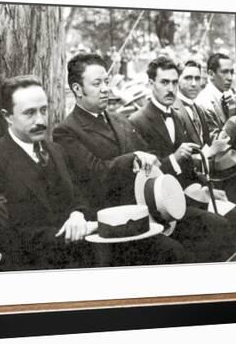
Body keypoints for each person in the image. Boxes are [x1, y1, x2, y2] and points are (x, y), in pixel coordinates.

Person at [53, 53, 189, 266]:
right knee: (175, 253)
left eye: (106, 82)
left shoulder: (119, 119)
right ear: (77, 89)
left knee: (209, 227)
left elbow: (151, 160)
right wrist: (133, 157)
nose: (106, 88)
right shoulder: (66, 131)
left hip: (147, 211)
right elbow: (95, 173)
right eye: (97, 83)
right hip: (112, 226)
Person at [129, 56, 236, 262]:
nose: (171, 89)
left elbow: (189, 167)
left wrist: (203, 188)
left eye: (173, 82)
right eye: (164, 82)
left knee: (233, 213)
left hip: (187, 194)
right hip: (162, 207)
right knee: (219, 226)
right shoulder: (138, 121)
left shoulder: (178, 117)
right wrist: (174, 158)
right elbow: (145, 177)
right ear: (151, 84)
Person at [0, 76, 94, 271]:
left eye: (43, 110)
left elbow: (78, 195)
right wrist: (71, 234)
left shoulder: (56, 150)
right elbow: (14, 233)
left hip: (79, 255)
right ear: (7, 116)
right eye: (29, 113)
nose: (40, 120)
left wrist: (78, 215)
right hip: (36, 267)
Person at [195, 53, 236, 137]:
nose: (230, 78)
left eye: (231, 72)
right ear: (211, 74)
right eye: (224, 72)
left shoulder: (228, 96)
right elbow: (214, 140)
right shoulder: (204, 102)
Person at [172, 60, 212, 147]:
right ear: (177, 79)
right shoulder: (171, 109)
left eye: (197, 78)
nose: (194, 84)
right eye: (188, 78)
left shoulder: (199, 110)